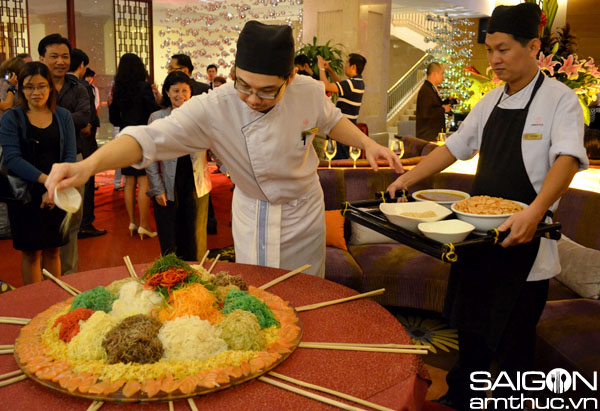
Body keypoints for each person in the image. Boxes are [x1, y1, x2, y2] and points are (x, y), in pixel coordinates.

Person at [45, 21, 402, 277]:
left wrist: (367, 142)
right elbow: (147, 138)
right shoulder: (216, 106)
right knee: (258, 297)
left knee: (306, 290)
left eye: (266, 91)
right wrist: (87, 166)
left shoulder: (307, 90)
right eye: (243, 85)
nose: (251, 98)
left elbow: (331, 120)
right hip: (253, 212)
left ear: (289, 78)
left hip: (302, 212)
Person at [386, 4, 588, 409]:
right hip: (478, 237)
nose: (493, 60)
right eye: (490, 49)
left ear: (533, 47)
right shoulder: (491, 100)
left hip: (525, 237)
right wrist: (407, 178)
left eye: (503, 50)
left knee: (514, 340)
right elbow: (453, 149)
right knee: (470, 327)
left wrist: (534, 212)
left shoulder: (559, 100)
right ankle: (463, 394)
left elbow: (566, 160)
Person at [0, 62, 76, 284]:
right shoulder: (11, 117)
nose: (36, 92)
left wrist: (55, 188)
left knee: (54, 250)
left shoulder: (63, 116)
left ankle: (54, 303)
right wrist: (48, 184)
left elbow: (69, 156)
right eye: (29, 87)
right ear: (21, 89)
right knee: (31, 253)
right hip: (25, 195)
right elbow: (13, 159)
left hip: (57, 191)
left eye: (41, 86)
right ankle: (35, 308)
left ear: (51, 87)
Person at [38, 33, 90, 275]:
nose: (60, 61)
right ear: (42, 58)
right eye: (54, 56)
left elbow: (85, 117)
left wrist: (50, 117)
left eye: (65, 56)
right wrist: (68, 119)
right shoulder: (35, 86)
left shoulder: (79, 87)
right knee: (42, 223)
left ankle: (69, 277)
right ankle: (43, 279)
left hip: (74, 159)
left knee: (71, 222)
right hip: (40, 164)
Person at [146, 71, 210, 260]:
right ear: (166, 92)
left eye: (184, 90)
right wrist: (157, 188)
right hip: (167, 183)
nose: (180, 95)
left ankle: (195, 278)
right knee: (169, 238)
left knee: (194, 237)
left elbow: (215, 146)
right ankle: (170, 279)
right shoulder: (157, 118)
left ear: (191, 93)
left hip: (196, 183)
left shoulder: (200, 117)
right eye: (175, 90)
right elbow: (150, 156)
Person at [109, 53, 159, 239]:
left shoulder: (118, 89)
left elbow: (114, 118)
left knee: (129, 181)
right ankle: (144, 225)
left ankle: (132, 222)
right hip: (142, 136)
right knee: (143, 180)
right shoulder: (144, 87)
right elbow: (152, 112)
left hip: (125, 135)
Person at [68, 48, 105, 239]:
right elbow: (87, 119)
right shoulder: (82, 86)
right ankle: (85, 222)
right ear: (82, 65)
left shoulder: (58, 85)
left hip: (67, 144)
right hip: (83, 142)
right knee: (86, 181)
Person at [317, 53, 367, 159]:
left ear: (353, 67)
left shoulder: (353, 83)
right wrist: (329, 70)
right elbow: (340, 84)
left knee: (338, 161)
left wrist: (321, 69)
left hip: (343, 129)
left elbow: (326, 86)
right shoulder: (357, 82)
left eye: (347, 64)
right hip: (347, 127)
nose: (345, 66)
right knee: (340, 158)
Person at [416, 62, 452, 142]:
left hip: (432, 135)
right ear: (435, 74)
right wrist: (443, 109)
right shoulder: (426, 90)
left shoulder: (430, 88)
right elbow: (426, 113)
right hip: (428, 137)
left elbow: (434, 106)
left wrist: (446, 102)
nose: (443, 77)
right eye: (442, 74)